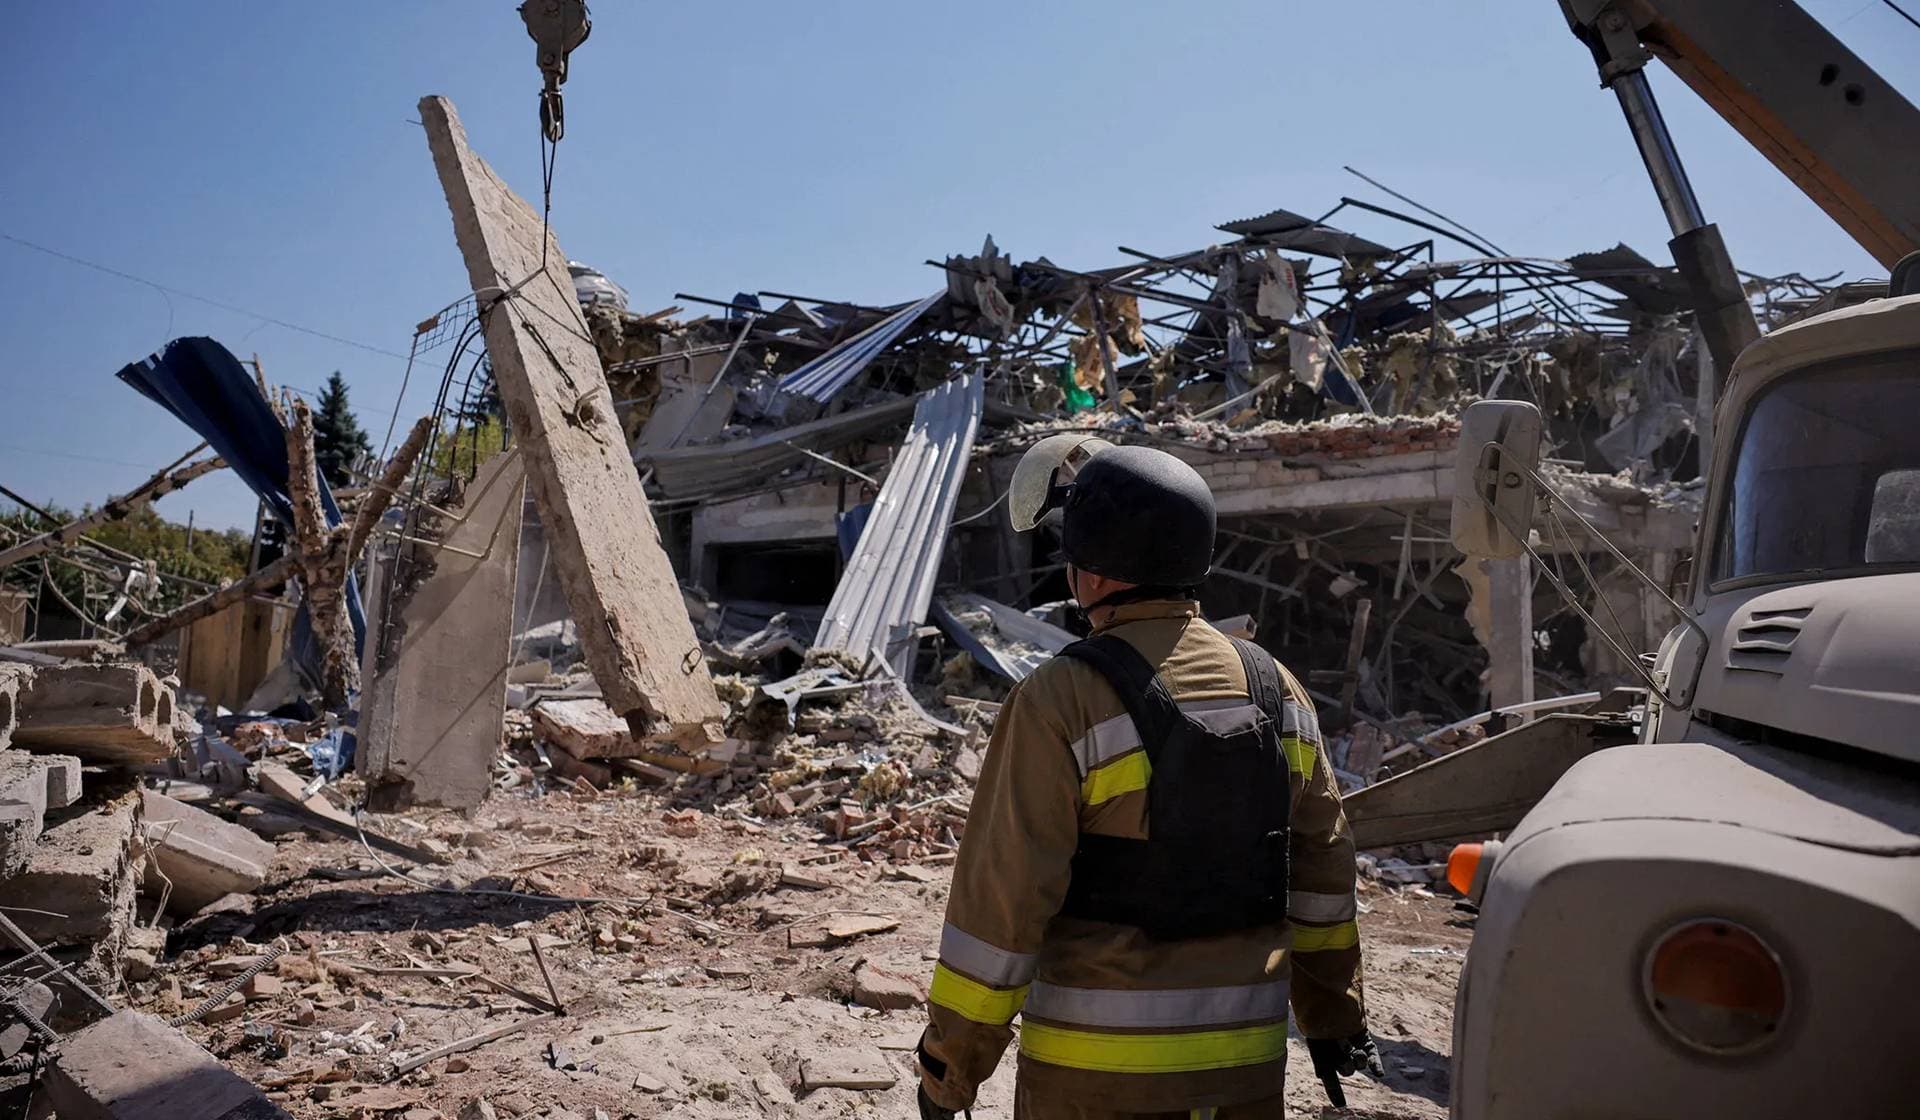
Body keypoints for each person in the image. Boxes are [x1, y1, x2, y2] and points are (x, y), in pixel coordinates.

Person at [915, 439, 1381, 1120]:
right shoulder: (1277, 690)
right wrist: (1334, 1020)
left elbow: (1002, 909)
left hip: (1096, 1080)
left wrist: (948, 1070)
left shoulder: (1060, 701)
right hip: (1243, 1075)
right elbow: (1322, 878)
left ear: (1094, 574)